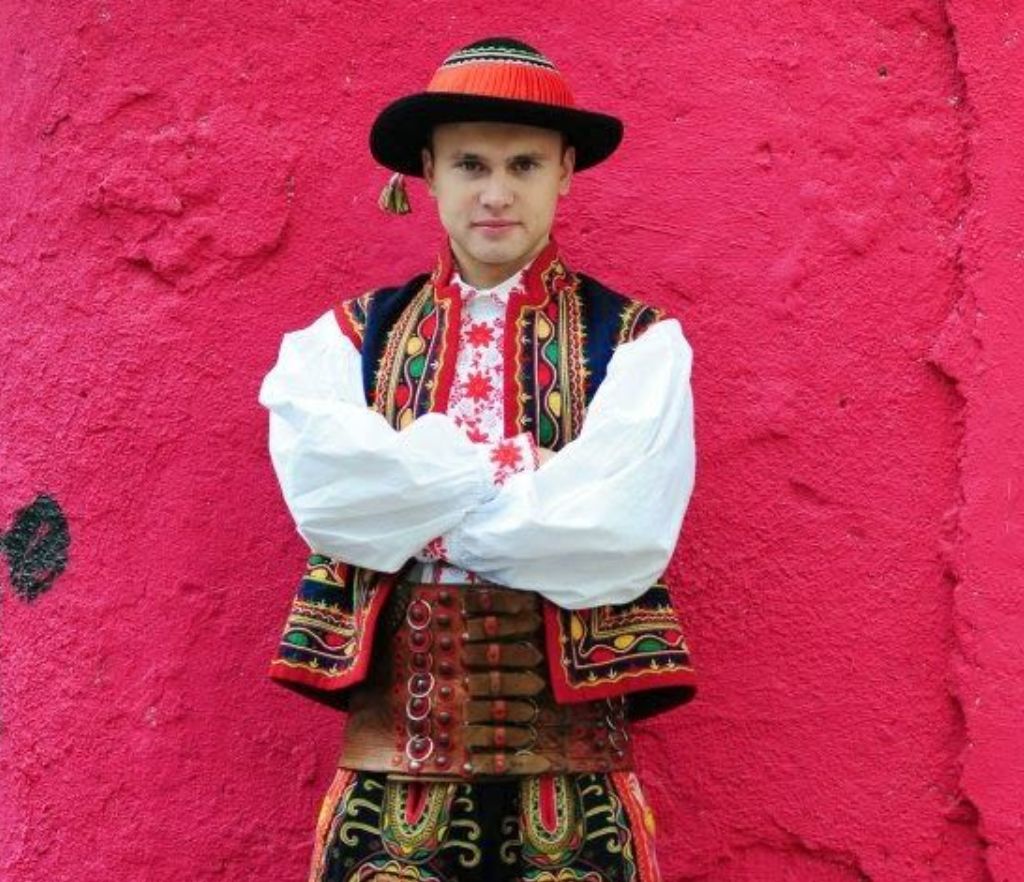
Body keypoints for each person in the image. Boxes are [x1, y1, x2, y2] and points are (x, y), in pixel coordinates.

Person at [259, 36, 698, 882]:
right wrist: (521, 474)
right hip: (395, 755)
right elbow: (335, 506)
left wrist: (418, 508)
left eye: (524, 164)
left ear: (566, 171)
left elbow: (615, 534)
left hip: (572, 760)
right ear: (428, 172)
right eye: (470, 164)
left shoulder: (644, 343)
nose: (497, 194)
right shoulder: (339, 342)